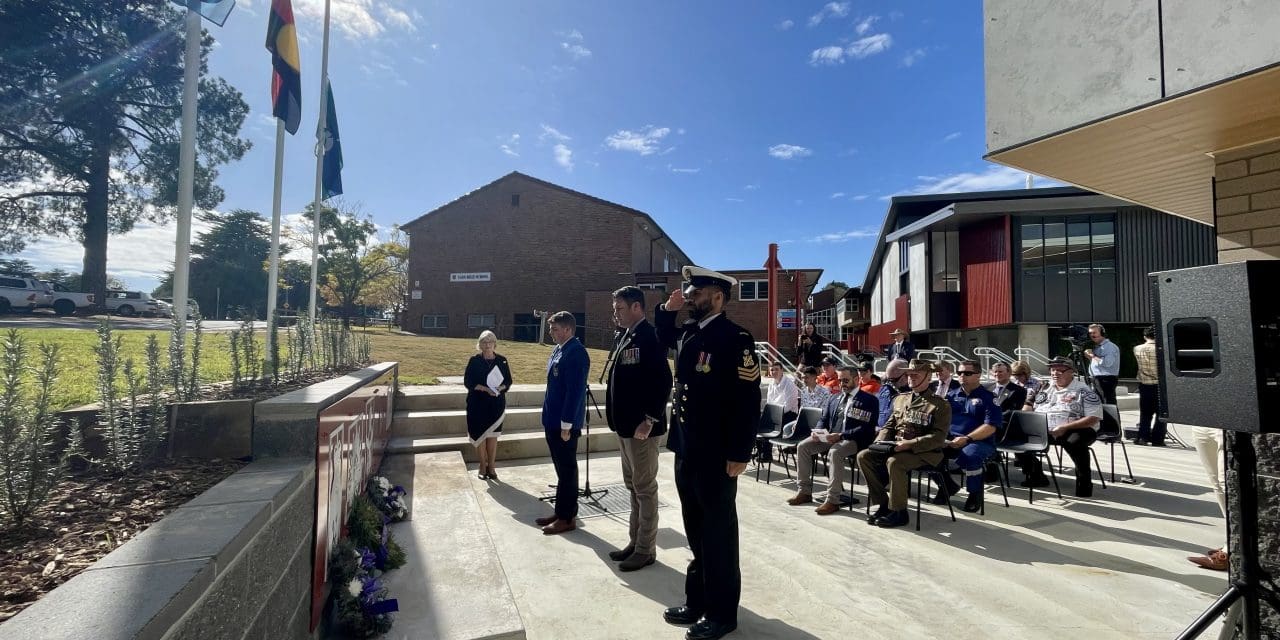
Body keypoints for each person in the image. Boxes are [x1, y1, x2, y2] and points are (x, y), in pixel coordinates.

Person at [655, 265, 761, 640]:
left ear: (717, 296)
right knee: (695, 530)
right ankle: (697, 601)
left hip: (717, 453)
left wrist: (740, 452)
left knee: (718, 534)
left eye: (696, 292)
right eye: (688, 291)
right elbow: (662, 336)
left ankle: (722, 614)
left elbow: (747, 401)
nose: (690, 297)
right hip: (687, 447)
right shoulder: (691, 333)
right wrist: (667, 309)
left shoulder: (736, 338)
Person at [603, 286, 673, 571]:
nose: (615, 314)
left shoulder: (649, 336)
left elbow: (663, 382)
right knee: (633, 487)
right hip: (625, 427)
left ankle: (646, 549)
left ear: (636, 308)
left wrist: (650, 420)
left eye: (620, 308)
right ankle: (635, 542)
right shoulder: (627, 336)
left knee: (645, 489)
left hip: (642, 429)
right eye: (614, 309)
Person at [856, 359, 951, 529]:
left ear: (928, 377)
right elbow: (890, 425)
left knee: (895, 462)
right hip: (897, 447)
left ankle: (899, 512)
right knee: (864, 456)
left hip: (925, 452)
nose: (911, 378)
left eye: (916, 375)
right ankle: (884, 504)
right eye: (909, 374)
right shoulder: (900, 399)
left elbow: (938, 437)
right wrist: (879, 443)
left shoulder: (940, 404)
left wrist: (909, 444)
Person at [788, 366, 877, 514]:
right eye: (840, 380)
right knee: (803, 446)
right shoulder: (834, 397)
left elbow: (866, 428)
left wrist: (840, 436)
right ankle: (804, 491)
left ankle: (832, 500)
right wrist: (817, 431)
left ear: (856, 379)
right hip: (830, 436)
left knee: (835, 452)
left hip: (854, 440)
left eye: (846, 380)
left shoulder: (868, 400)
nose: (843, 384)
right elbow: (824, 419)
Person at [533, 311, 590, 536]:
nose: (551, 333)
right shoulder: (559, 349)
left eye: (555, 329)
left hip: (565, 424)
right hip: (553, 419)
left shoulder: (576, 353)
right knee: (561, 470)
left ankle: (568, 517)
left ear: (567, 329)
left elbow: (574, 393)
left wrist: (567, 425)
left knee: (567, 470)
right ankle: (561, 511)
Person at [1018, 356, 1102, 498]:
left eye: (1060, 370)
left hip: (1076, 428)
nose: (1055, 373)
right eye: (1052, 370)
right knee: (1015, 437)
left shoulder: (1083, 390)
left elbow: (1093, 418)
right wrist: (1026, 421)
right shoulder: (1043, 386)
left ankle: (1084, 482)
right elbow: (1028, 404)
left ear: (1072, 372)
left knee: (1075, 442)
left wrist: (1065, 428)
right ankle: (1036, 475)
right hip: (1043, 428)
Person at [935, 360, 1002, 512]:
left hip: (979, 442)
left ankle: (974, 493)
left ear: (978, 375)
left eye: (967, 373)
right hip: (952, 439)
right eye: (959, 373)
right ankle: (947, 485)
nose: (962, 376)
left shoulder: (989, 397)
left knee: (970, 456)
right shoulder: (951, 395)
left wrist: (967, 439)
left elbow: (991, 426)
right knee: (927, 451)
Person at [464, 330, 512, 480]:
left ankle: (491, 466)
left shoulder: (502, 360)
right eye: (484, 342)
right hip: (477, 404)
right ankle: (482, 466)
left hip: (495, 405)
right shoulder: (474, 360)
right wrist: (485, 388)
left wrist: (501, 388)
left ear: (494, 344)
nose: (487, 344)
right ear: (480, 344)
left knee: (492, 436)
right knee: (481, 435)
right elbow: (468, 382)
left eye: (490, 341)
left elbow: (508, 381)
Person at [1187, 427, 1228, 571]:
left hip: (1228, 421)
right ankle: (1233, 541)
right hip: (1202, 420)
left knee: (1227, 483)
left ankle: (1232, 549)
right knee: (1216, 483)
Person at [1133, 326, 1167, 446]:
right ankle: (1158, 439)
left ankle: (1142, 437)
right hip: (1160, 385)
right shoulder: (1161, 349)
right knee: (1161, 414)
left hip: (1144, 384)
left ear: (1145, 336)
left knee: (1145, 413)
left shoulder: (1137, 349)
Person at [1084, 323, 1120, 405]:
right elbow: (1097, 362)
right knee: (1100, 403)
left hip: (1106, 379)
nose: (1092, 335)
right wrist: (1090, 357)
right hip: (1097, 378)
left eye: (1094, 333)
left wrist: (1092, 356)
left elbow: (1107, 363)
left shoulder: (1109, 347)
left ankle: (1111, 418)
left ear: (1102, 333)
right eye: (1090, 333)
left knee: (1108, 403)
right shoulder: (1097, 346)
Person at [877, 359, 910, 428]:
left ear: (906, 375)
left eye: (893, 380)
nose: (890, 383)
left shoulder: (913, 395)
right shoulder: (884, 389)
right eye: (887, 379)